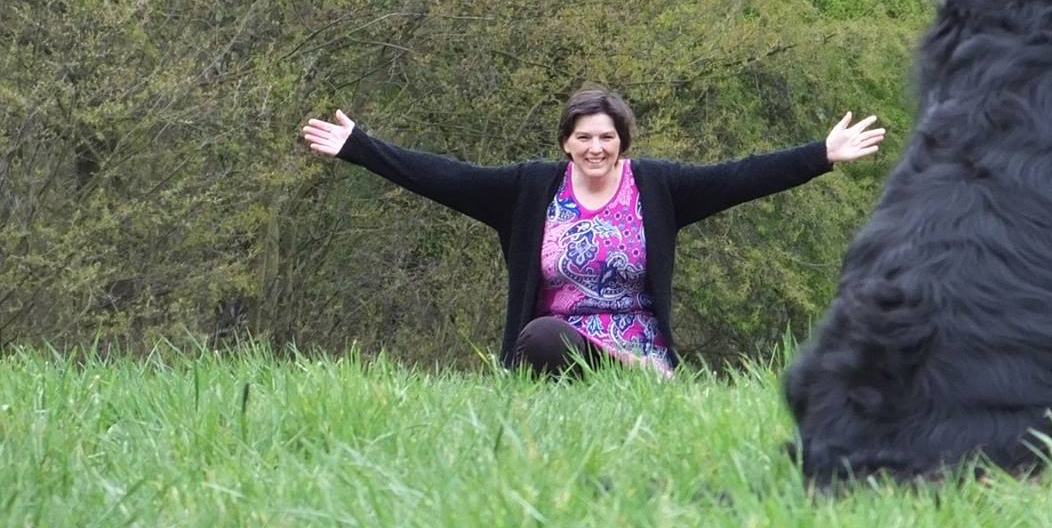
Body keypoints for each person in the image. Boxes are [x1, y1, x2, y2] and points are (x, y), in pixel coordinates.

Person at [299, 86, 885, 377]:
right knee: (542, 338)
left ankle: (646, 375)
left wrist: (821, 154)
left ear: (622, 142)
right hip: (558, 343)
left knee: (545, 343)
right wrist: (360, 148)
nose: (595, 147)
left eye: (606, 137)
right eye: (583, 137)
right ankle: (628, 378)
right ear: (565, 143)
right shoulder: (531, 189)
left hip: (642, 343)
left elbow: (740, 177)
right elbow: (444, 177)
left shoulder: (658, 187)